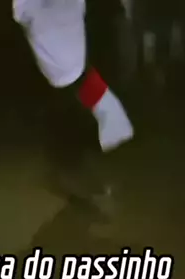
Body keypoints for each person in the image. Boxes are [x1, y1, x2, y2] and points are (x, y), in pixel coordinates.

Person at [13, 0, 134, 214]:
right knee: (84, 117)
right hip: (72, 68)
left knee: (74, 122)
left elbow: (21, 15)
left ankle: (80, 180)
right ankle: (83, 180)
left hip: (62, 71)